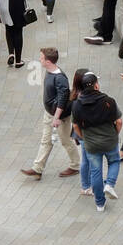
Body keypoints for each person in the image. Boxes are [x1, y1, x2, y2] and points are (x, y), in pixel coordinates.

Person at [19, 47, 81, 180]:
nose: (40, 60)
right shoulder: (49, 72)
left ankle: (75, 165)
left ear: (48, 61)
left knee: (66, 141)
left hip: (59, 117)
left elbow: (63, 100)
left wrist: (57, 117)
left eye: (41, 58)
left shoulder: (59, 78)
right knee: (46, 141)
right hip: (50, 114)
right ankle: (37, 168)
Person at [70, 72, 123, 211]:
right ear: (96, 86)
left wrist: (83, 137)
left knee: (95, 172)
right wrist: (115, 134)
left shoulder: (77, 105)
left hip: (91, 144)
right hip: (110, 141)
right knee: (114, 161)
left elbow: (75, 126)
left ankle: (100, 204)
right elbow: (119, 121)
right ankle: (110, 185)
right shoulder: (108, 101)